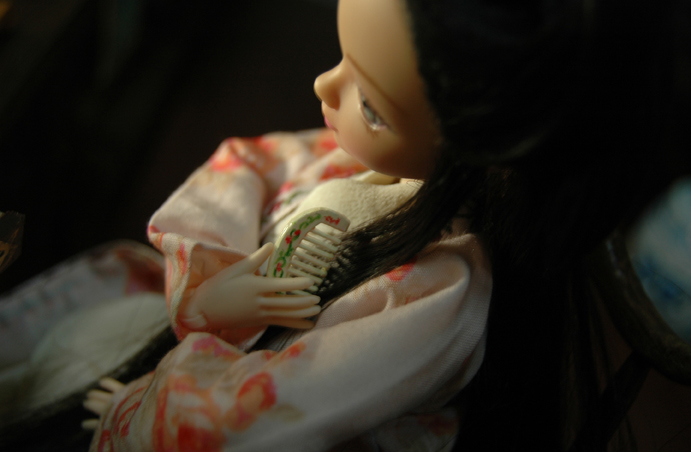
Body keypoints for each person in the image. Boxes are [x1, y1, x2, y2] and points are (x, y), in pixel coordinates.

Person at [84, 0, 679, 450]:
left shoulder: (435, 300)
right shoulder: (379, 163)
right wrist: (206, 292)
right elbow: (245, 164)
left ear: (480, 148)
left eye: (371, 105)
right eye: (342, 58)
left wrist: (143, 408)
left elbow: (250, 423)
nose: (323, 85)